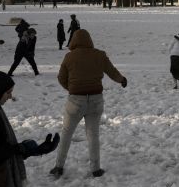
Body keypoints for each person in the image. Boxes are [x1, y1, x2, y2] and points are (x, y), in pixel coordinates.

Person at [51, 29, 128, 178]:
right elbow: (112, 72)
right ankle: (95, 168)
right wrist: (122, 80)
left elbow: (61, 78)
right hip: (96, 100)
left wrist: (72, 88)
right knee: (93, 134)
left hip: (75, 101)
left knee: (66, 133)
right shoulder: (99, 55)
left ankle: (59, 166)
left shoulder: (69, 57)